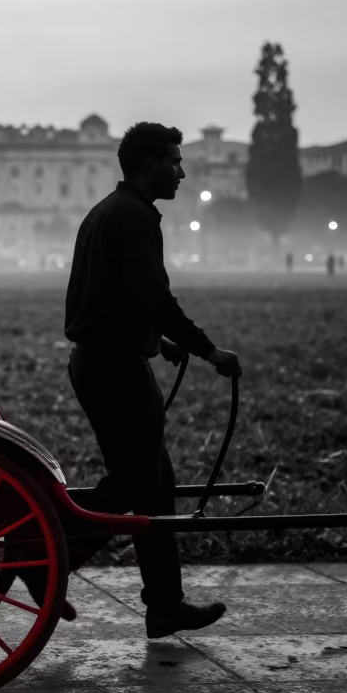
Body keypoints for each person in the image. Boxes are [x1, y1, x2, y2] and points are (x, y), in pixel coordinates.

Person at [63, 122, 240, 639]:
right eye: (175, 161)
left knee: (154, 486)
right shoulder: (136, 217)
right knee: (135, 482)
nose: (182, 172)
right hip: (114, 369)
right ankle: (49, 556)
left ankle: (164, 604)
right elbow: (156, 298)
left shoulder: (104, 213)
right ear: (148, 165)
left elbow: (102, 296)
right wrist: (209, 350)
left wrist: (152, 340)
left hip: (99, 359)